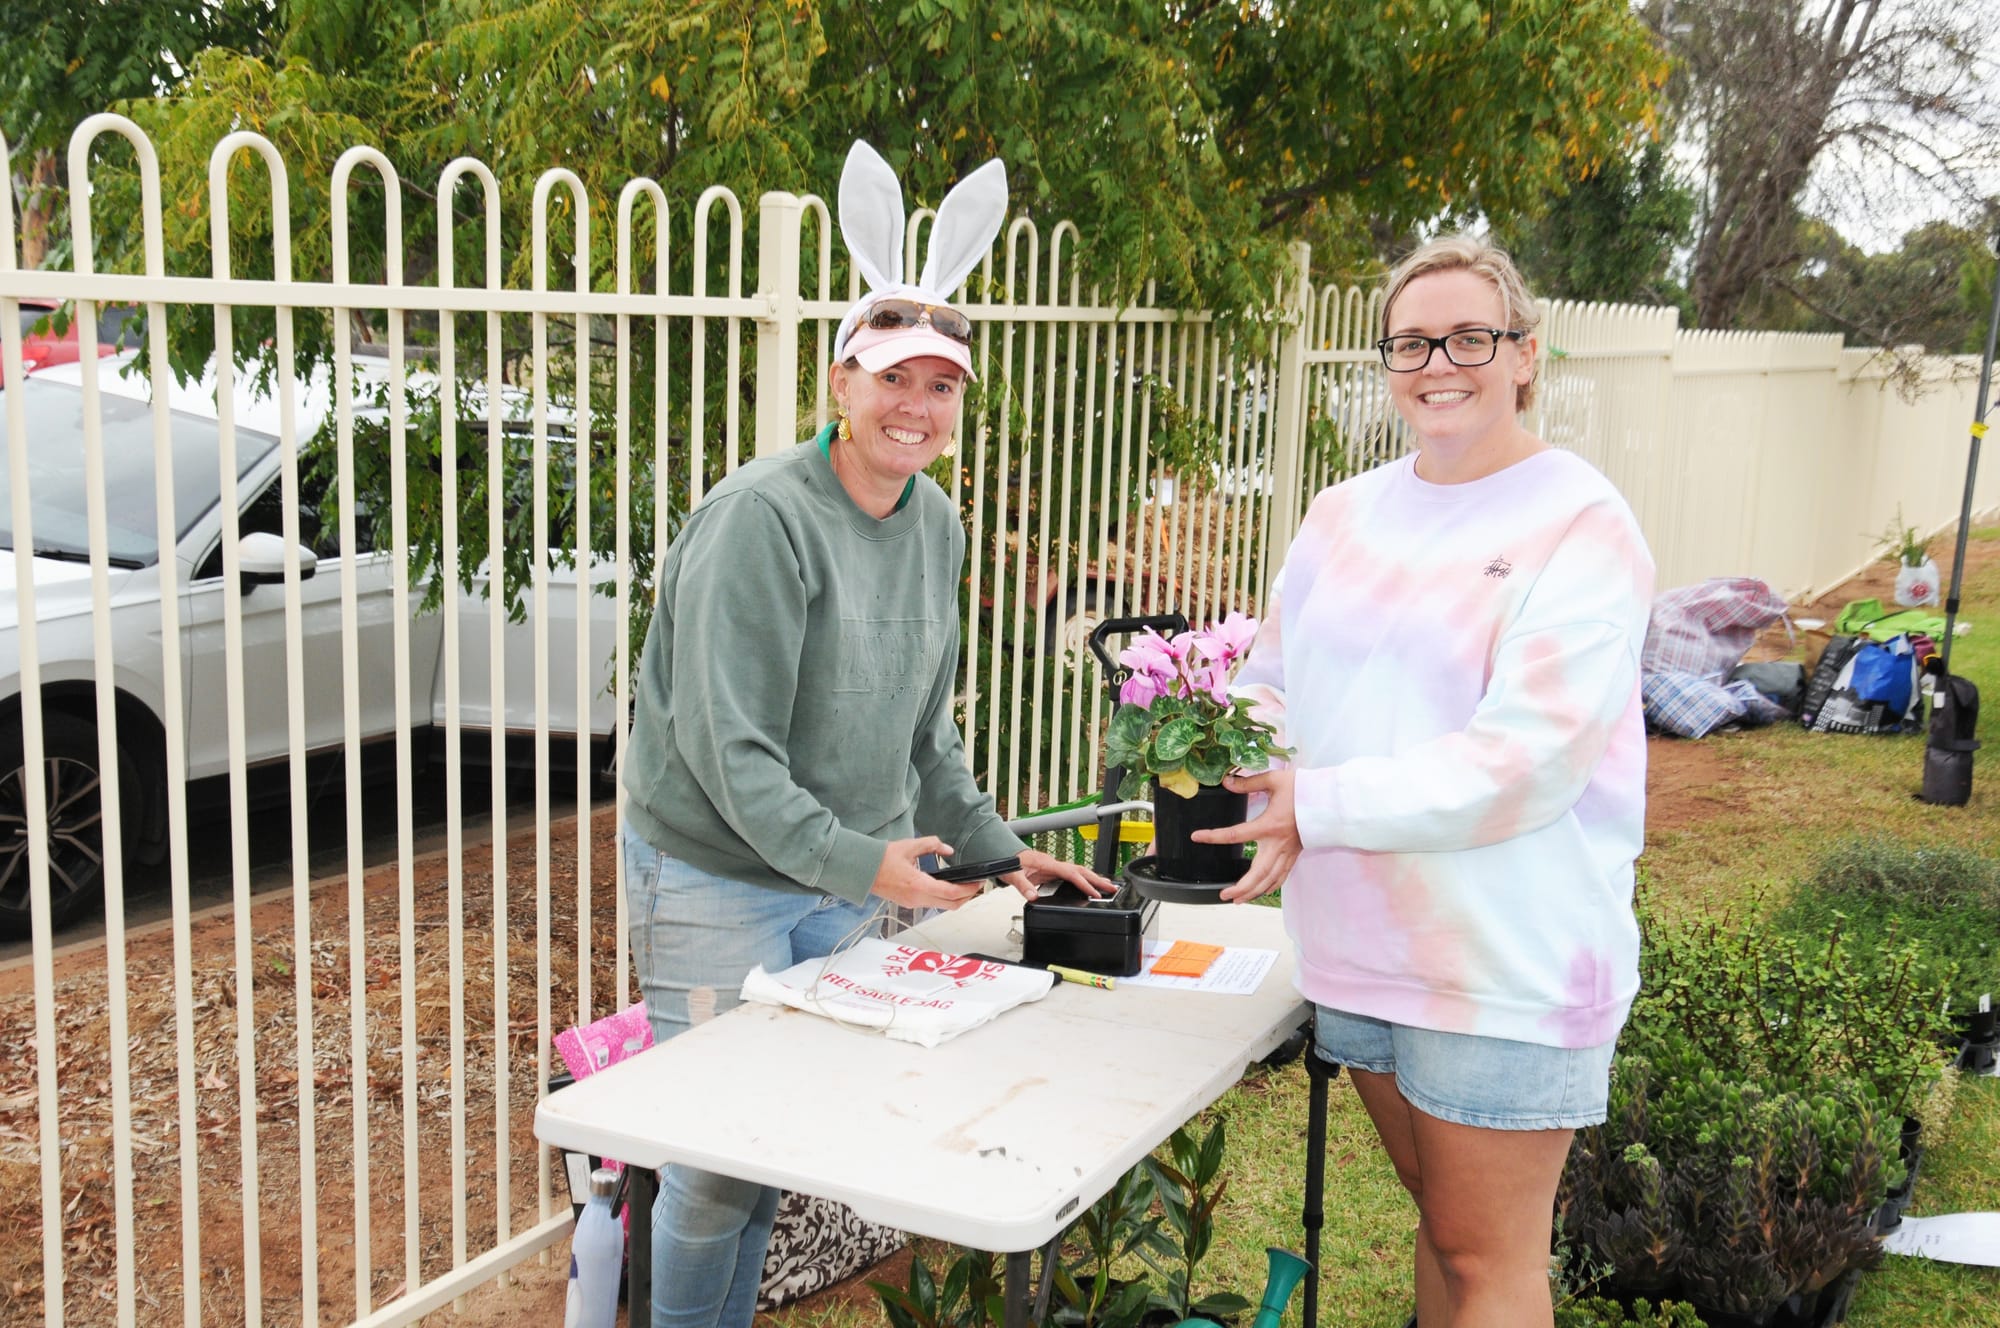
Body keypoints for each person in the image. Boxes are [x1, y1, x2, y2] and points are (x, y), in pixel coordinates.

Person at [618, 140, 1110, 1328]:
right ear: (840, 381)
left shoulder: (934, 523)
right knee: (708, 1159)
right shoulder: (759, 524)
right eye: (891, 376)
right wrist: (872, 865)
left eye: (940, 384)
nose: (915, 404)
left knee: (772, 1142)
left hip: (840, 875)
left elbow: (923, 733)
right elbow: (733, 758)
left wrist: (1000, 851)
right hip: (714, 872)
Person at [1195, 235, 1654, 1328]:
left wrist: (1315, 801)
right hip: (1360, 943)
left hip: (1502, 955)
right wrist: (1256, 768)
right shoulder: (1340, 514)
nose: (1436, 361)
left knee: (1489, 1255)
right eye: (1410, 340)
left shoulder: (1578, 522)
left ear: (1524, 355)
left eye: (1466, 337)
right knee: (1440, 1228)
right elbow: (1270, 678)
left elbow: (1524, 761)